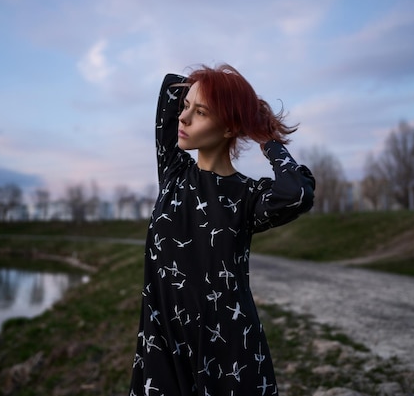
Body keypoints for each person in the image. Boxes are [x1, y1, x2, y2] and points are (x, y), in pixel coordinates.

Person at [129, 64, 315, 396]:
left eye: (199, 112)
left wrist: (264, 133)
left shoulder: (246, 197)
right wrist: (211, 86)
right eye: (186, 107)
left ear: (229, 128)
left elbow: (296, 193)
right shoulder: (173, 171)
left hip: (228, 354)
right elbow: (171, 87)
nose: (183, 119)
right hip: (163, 346)